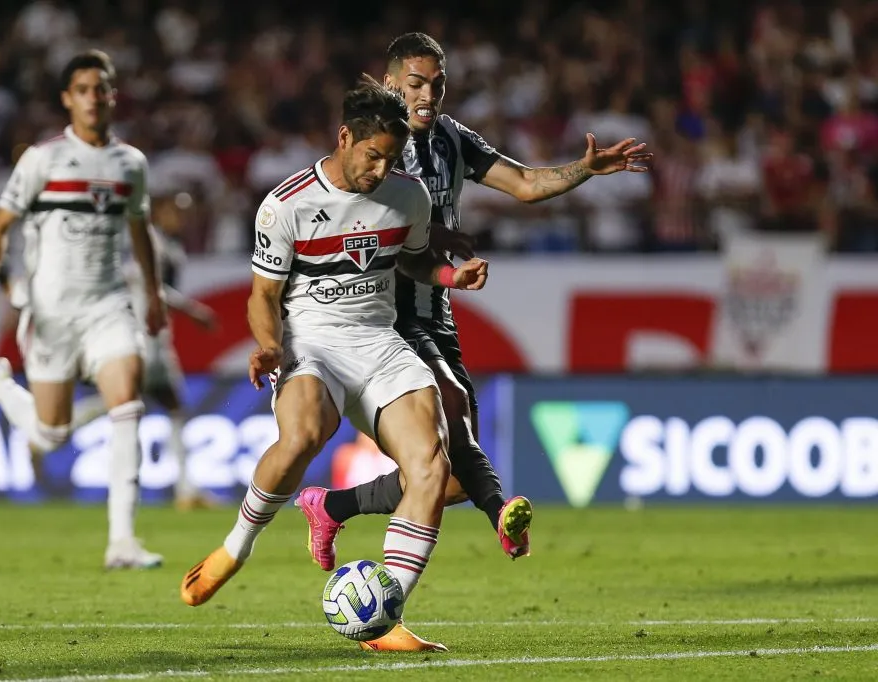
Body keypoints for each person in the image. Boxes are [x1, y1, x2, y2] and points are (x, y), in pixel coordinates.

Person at [297, 32, 653, 567]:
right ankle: (502, 513)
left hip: (434, 309)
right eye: (416, 84)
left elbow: (527, 184)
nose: (427, 95)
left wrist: (584, 170)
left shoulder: (451, 140)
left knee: (453, 477)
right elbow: (351, 224)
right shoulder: (373, 150)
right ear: (392, 83)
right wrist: (431, 236)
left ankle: (331, 505)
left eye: (437, 85)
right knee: (454, 412)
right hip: (379, 315)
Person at [179, 75, 488, 653]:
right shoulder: (287, 204)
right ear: (345, 138)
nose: (380, 171)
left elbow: (415, 263)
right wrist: (269, 344)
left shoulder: (409, 195)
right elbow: (262, 295)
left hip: (379, 341)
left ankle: (383, 615)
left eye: (391, 159)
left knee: (434, 468)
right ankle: (235, 548)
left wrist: (450, 276)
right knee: (302, 437)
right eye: (373, 156)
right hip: (310, 341)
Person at [0, 49, 167, 569]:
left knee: (128, 402)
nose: (94, 99)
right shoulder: (42, 159)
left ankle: (122, 540)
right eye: (83, 90)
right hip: (52, 312)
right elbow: (0, 226)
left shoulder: (131, 163)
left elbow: (140, 230)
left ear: (113, 96)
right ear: (67, 99)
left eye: (102, 88)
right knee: (49, 435)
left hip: (107, 305)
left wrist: (154, 294)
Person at [68, 219, 219, 510]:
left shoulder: (171, 246)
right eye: (175, 208)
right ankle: (64, 425)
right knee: (132, 405)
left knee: (163, 406)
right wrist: (192, 310)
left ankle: (186, 490)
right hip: (142, 340)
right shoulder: (147, 237)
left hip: (154, 340)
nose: (181, 214)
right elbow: (145, 282)